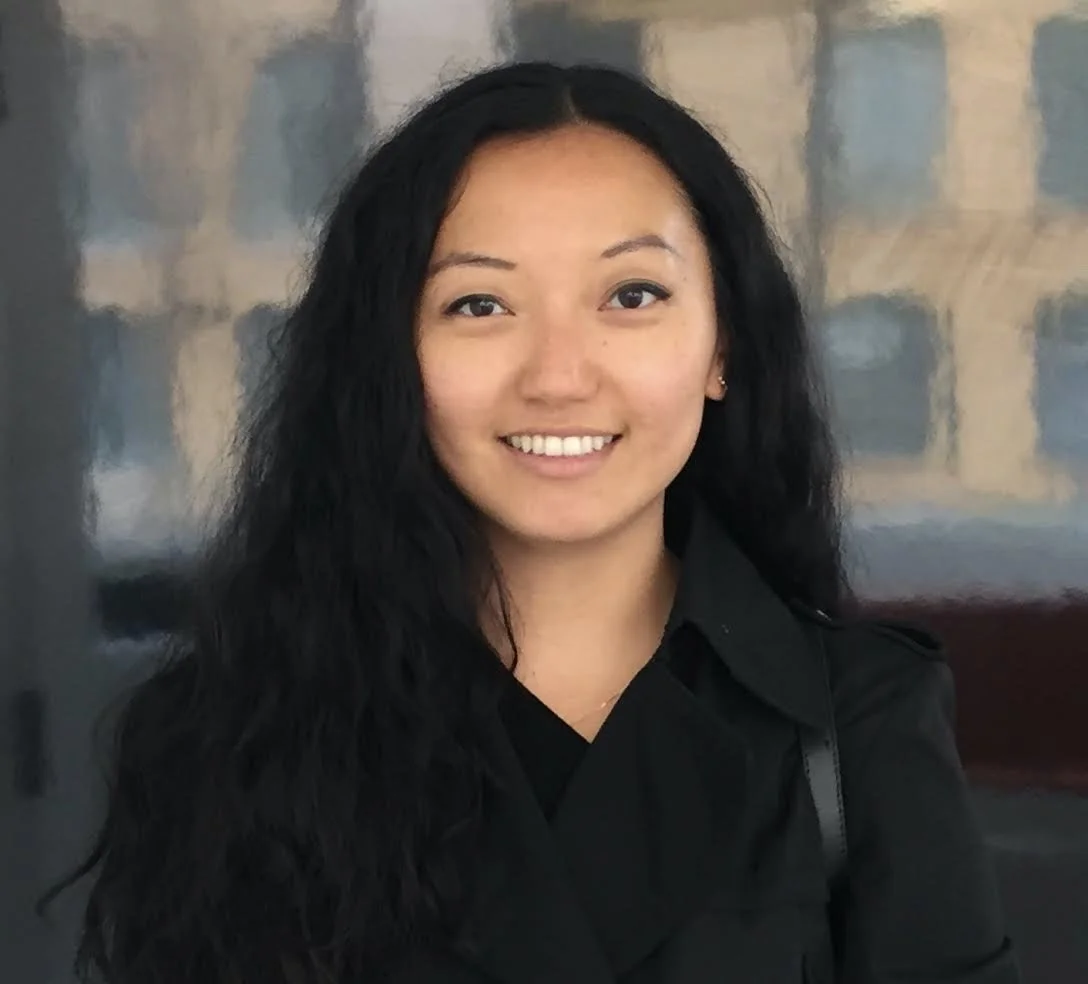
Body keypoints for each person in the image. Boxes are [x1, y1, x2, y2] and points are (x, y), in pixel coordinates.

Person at [46, 62, 1019, 983]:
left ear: (723, 345)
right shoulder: (219, 739)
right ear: (389, 363)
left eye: (630, 296)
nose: (557, 375)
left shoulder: (858, 720)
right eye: (478, 304)